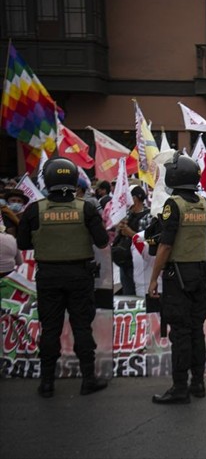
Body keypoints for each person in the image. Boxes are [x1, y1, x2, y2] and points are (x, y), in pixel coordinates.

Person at [17, 157, 109, 398]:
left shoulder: (34, 210)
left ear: (47, 180)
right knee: (81, 326)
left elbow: (23, 243)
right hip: (79, 275)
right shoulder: (86, 208)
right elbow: (102, 241)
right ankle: (88, 379)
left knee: (50, 329)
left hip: (48, 275)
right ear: (72, 179)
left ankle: (47, 382)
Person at [148, 153, 206, 404]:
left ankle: (179, 388)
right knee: (196, 330)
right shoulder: (204, 204)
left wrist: (154, 278)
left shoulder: (172, 205)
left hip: (176, 276)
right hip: (199, 274)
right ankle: (198, 383)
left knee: (180, 332)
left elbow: (165, 246)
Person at [114, 186, 151, 295]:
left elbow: (149, 241)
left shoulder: (148, 216)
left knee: (141, 295)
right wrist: (120, 228)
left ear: (134, 199)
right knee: (127, 294)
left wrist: (131, 234)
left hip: (140, 264)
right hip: (125, 262)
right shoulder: (126, 214)